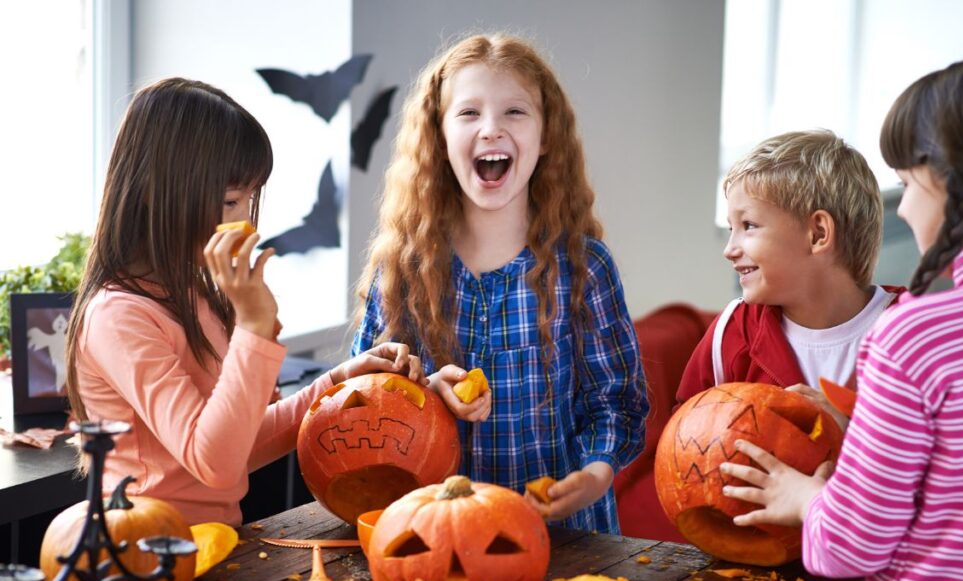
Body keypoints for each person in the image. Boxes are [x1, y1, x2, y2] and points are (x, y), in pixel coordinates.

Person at [721, 55, 963, 581]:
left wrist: (805, 496)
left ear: (952, 185)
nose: (905, 211)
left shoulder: (912, 336)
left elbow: (850, 545)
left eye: (908, 186)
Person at [65, 77, 422, 526]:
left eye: (248, 200)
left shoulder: (198, 298)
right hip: (146, 558)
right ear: (159, 193)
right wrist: (253, 325)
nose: (245, 225)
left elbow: (240, 446)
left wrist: (336, 383)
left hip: (216, 546)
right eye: (231, 201)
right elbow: (213, 463)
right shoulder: (119, 316)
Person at [351, 34, 649, 533]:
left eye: (515, 112)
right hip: (433, 538)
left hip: (568, 541)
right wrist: (424, 387)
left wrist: (597, 472)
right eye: (468, 113)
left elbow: (617, 402)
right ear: (439, 139)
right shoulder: (403, 270)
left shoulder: (585, 267)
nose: (491, 129)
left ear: (546, 135)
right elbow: (366, 401)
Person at [675, 130, 903, 416]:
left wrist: (848, 436)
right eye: (731, 228)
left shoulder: (913, 331)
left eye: (749, 225)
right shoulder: (731, 333)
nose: (730, 249)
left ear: (818, 233)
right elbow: (684, 442)